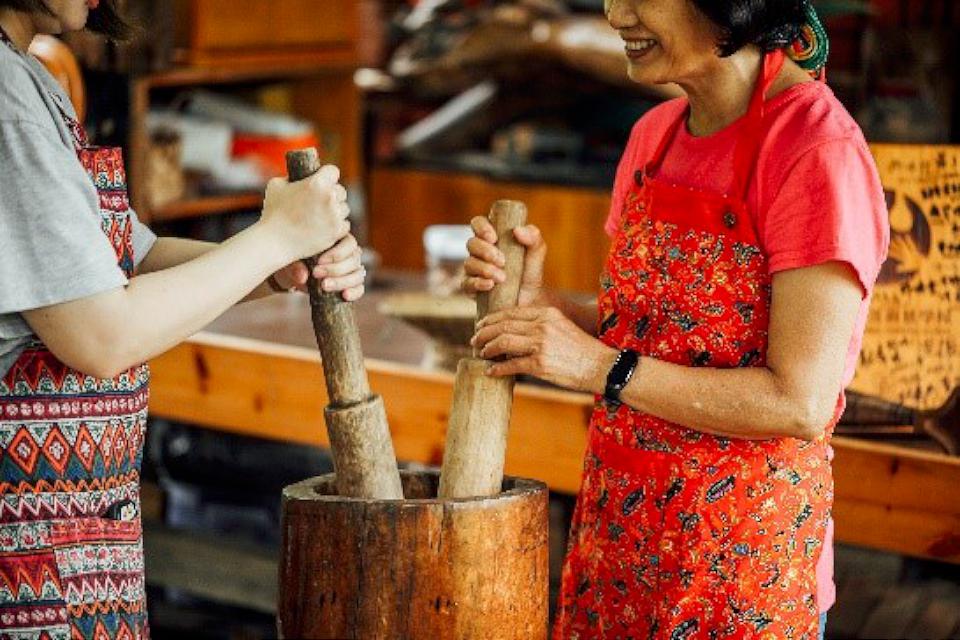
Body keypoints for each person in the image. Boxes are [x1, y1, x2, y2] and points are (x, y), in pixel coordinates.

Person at [464, 0, 889, 638]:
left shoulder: (816, 150)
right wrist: (542, 307)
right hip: (618, 552)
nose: (616, 13)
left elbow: (798, 401)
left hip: (740, 574)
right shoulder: (654, 135)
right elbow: (653, 329)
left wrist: (599, 367)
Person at [0, 1, 365, 637]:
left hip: (75, 533)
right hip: (25, 548)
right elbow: (101, 333)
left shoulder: (28, 77)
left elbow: (129, 259)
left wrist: (274, 265)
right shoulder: (6, 98)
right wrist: (275, 238)